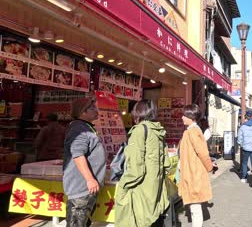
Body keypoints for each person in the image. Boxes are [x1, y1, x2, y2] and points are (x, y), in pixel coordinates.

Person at [115, 100, 171, 226]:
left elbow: (135, 170)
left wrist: (123, 186)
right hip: (155, 189)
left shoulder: (139, 131)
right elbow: (166, 164)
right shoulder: (158, 130)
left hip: (141, 190)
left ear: (138, 112)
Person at [63, 97, 105, 227]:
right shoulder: (78, 129)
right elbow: (77, 155)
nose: (96, 110)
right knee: (76, 222)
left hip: (86, 188)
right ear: (83, 112)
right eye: (92, 108)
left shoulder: (85, 126)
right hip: (81, 187)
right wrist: (89, 179)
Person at [179, 104, 216, 227]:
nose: (182, 117)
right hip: (193, 171)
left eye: (185, 115)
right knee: (195, 206)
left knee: (195, 207)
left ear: (191, 116)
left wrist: (209, 166)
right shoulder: (192, 130)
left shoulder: (192, 131)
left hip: (194, 172)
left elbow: (202, 152)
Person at [237, 112, 252, 185]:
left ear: (246, 117)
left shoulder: (242, 127)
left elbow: (239, 138)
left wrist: (241, 144)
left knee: (244, 163)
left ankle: (244, 178)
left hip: (245, 148)